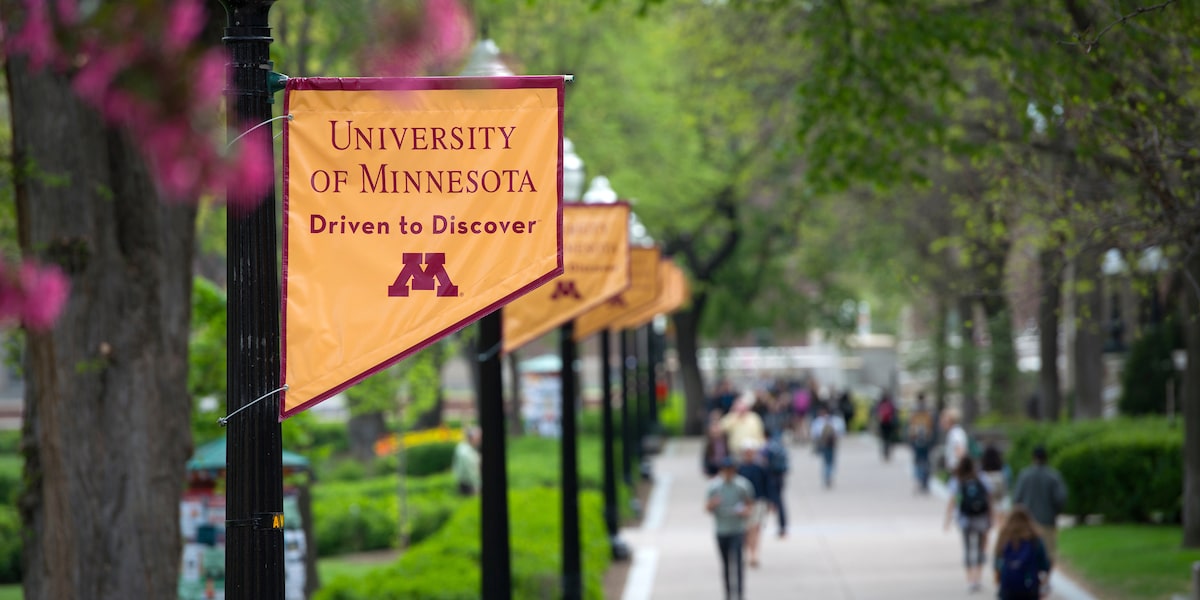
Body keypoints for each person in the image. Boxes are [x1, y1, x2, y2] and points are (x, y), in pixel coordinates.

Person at [1011, 445, 1068, 578]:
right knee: (1049, 553)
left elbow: (1016, 499)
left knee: (1028, 551)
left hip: (1027, 523)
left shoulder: (1024, 475)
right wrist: (1055, 511)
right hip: (1047, 520)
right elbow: (1061, 498)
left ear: (1033, 457)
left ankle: (1032, 577)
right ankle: (1046, 580)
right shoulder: (1053, 476)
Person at [706, 457, 754, 600]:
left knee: (738, 563)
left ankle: (739, 594)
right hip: (721, 530)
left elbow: (750, 505)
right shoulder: (714, 486)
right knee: (726, 564)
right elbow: (707, 507)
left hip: (737, 529)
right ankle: (728, 594)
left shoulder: (742, 485)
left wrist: (745, 511)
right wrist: (713, 504)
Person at [944, 455, 993, 593]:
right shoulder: (981, 477)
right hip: (981, 517)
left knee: (967, 548)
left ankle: (969, 579)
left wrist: (947, 520)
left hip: (965, 518)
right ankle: (978, 578)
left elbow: (952, 501)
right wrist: (991, 516)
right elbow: (989, 497)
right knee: (980, 548)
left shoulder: (957, 480)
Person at [993, 506, 1052, 600]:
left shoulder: (1004, 536)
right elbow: (1044, 565)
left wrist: (998, 579)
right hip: (1030, 587)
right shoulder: (1035, 537)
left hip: (1008, 587)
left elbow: (997, 563)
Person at [735, 442, 770, 568]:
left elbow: (768, 485)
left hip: (758, 502)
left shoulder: (761, 467)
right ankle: (746, 553)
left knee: (755, 529)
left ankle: (754, 554)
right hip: (743, 503)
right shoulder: (739, 469)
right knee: (745, 530)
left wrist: (771, 502)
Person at [720, 391, 767, 459]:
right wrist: (734, 414)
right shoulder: (732, 417)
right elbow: (722, 427)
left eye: (743, 405)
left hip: (754, 452)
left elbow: (761, 433)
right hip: (737, 452)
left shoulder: (754, 417)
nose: (742, 408)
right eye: (739, 405)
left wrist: (761, 446)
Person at [809, 403, 846, 488]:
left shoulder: (819, 421)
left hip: (826, 444)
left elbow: (814, 433)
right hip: (830, 444)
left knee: (827, 461)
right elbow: (841, 431)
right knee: (830, 461)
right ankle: (828, 475)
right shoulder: (835, 421)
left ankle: (827, 475)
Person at [907, 393, 935, 493]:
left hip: (916, 438)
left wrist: (910, 439)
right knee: (926, 460)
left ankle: (920, 481)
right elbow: (932, 425)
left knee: (918, 461)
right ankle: (925, 481)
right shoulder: (929, 410)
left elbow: (910, 425)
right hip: (927, 438)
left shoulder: (914, 410)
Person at [764, 433, 790, 538]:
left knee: (766, 503)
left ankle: (760, 527)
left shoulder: (767, 447)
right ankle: (782, 527)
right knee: (779, 502)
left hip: (771, 477)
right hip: (779, 477)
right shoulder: (779, 447)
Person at [980, 443, 1011, 520]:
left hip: (987, 505)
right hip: (1001, 501)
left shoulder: (982, 474)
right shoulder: (1004, 470)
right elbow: (1008, 485)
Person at [452, 426, 482, 496]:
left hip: (463, 482)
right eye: (478, 438)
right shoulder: (466, 453)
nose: (479, 440)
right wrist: (477, 486)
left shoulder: (462, 446)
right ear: (472, 438)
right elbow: (472, 472)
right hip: (469, 485)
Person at [940, 408, 969, 474]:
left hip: (956, 470)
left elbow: (960, 452)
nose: (941, 422)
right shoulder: (954, 432)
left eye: (943, 419)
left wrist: (959, 470)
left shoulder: (955, 433)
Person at [702, 412, 730, 477]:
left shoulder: (725, 439)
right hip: (713, 466)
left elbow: (728, 452)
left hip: (724, 465)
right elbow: (706, 456)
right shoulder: (709, 442)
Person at [876, 392, 898, 461]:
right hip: (890, 424)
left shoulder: (880, 403)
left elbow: (877, 413)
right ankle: (888, 451)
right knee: (889, 438)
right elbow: (895, 413)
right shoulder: (891, 404)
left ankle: (884, 451)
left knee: (883, 438)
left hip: (882, 423)